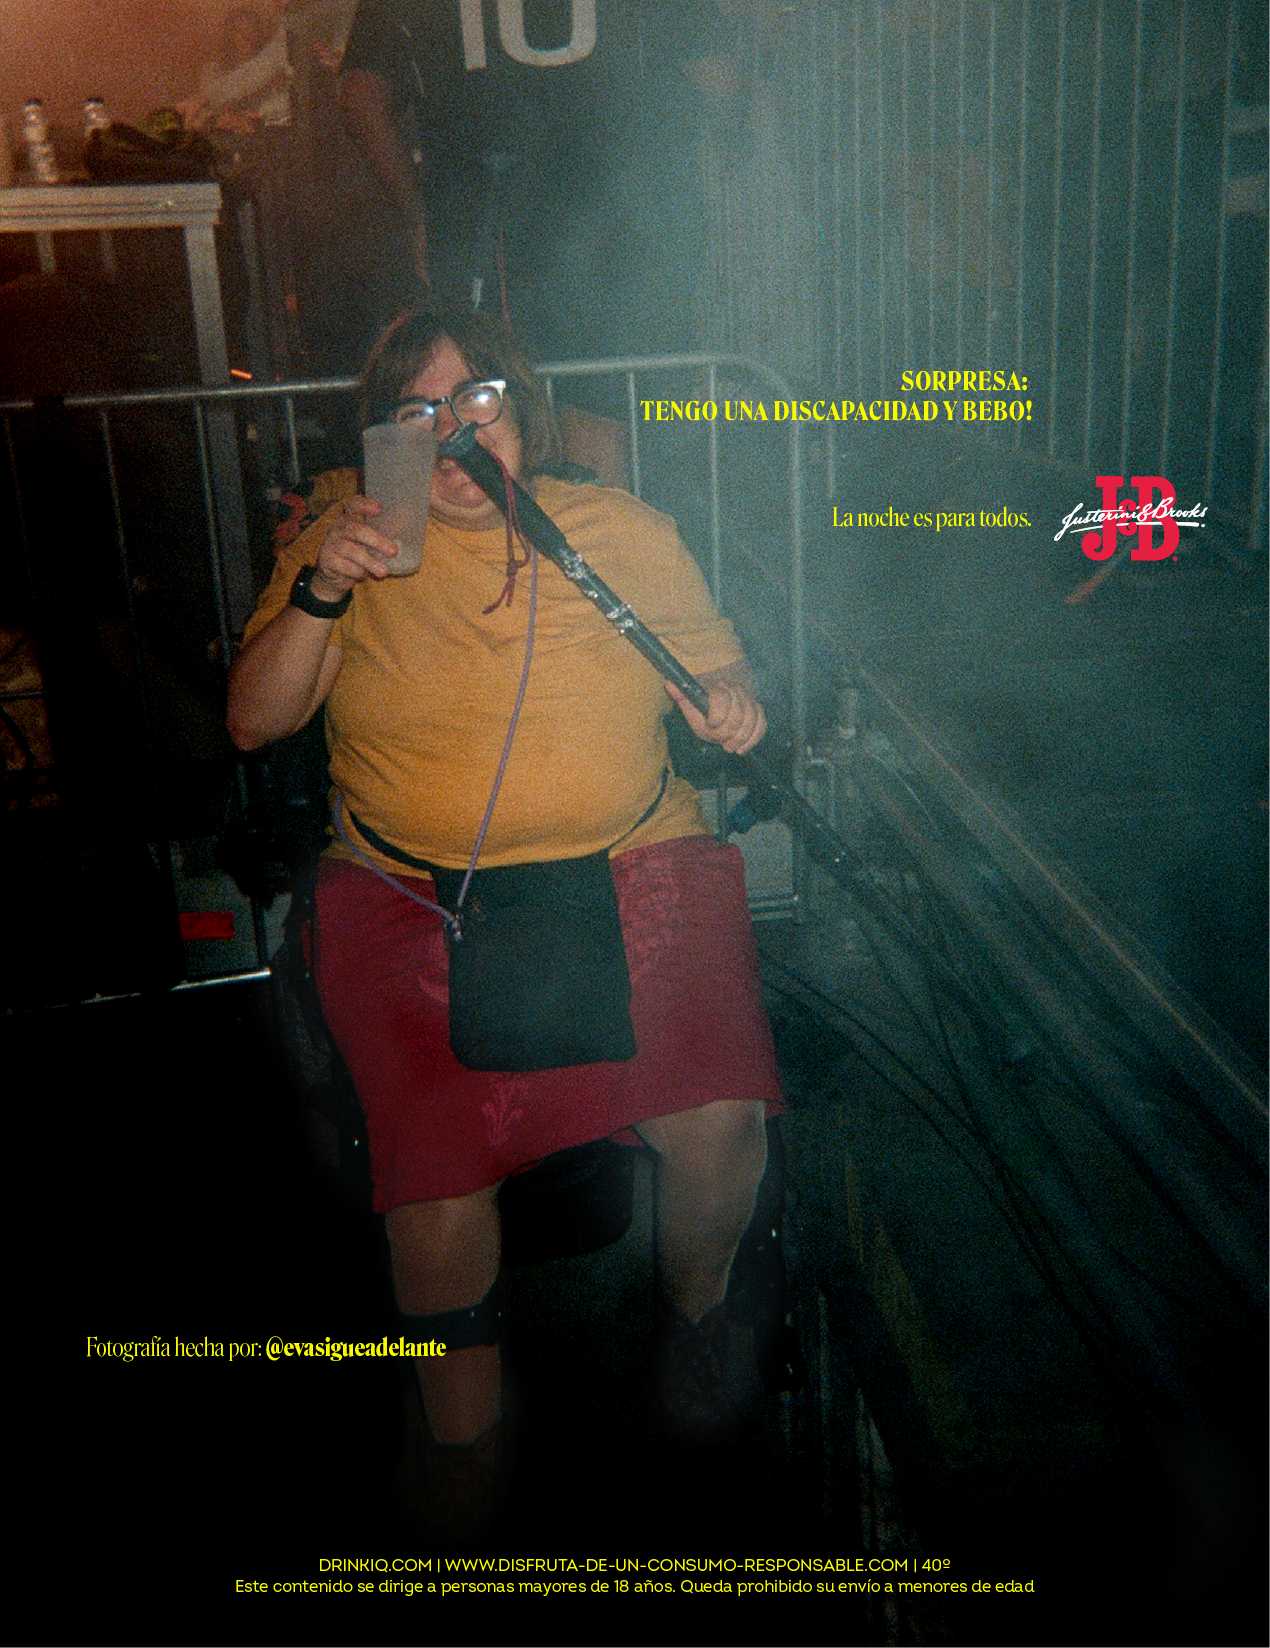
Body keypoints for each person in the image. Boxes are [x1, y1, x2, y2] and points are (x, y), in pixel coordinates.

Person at [226, 305, 782, 1537]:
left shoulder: (624, 531)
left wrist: (731, 702)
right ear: (385, 438)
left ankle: (697, 1323)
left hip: (636, 859)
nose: (454, 433)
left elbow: (717, 673)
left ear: (520, 413)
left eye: (476, 402)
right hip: (408, 895)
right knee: (435, 1173)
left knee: (718, 1117)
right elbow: (255, 721)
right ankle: (462, 1434)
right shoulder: (346, 541)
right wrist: (324, 585)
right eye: (418, 413)